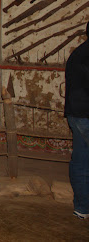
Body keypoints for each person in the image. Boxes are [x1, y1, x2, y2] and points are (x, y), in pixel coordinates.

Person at [65, 21, 89, 219]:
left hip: (76, 114)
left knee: (81, 161)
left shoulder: (78, 53)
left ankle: (82, 207)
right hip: (85, 116)